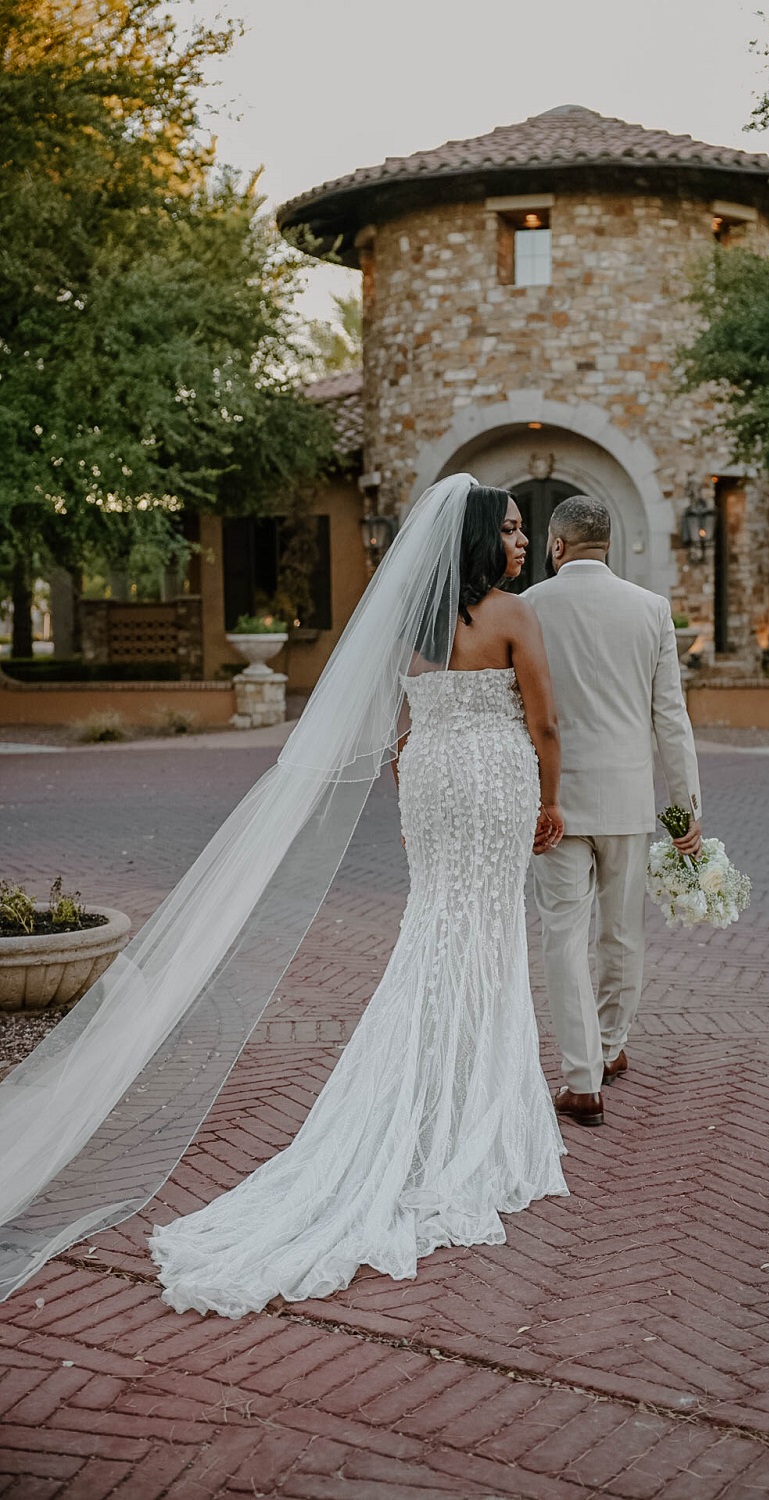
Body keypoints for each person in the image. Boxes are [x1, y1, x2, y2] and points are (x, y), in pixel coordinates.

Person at [148, 484, 569, 1317]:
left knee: (436, 927)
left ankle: (430, 1089)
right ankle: (468, 1106)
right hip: (493, 778)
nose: (522, 544)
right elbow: (546, 724)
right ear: (484, 540)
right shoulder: (515, 615)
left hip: (432, 781)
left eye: (526, 531)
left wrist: (412, 779)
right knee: (487, 932)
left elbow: (400, 723)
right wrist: (553, 802)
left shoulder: (413, 626)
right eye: (513, 530)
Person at [524, 495, 703, 1128]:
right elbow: (670, 718)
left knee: (562, 936)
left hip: (555, 804)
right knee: (622, 931)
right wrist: (684, 809)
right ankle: (610, 1046)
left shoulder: (529, 608)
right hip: (628, 801)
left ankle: (581, 1079)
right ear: (608, 544)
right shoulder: (651, 610)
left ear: (556, 544)